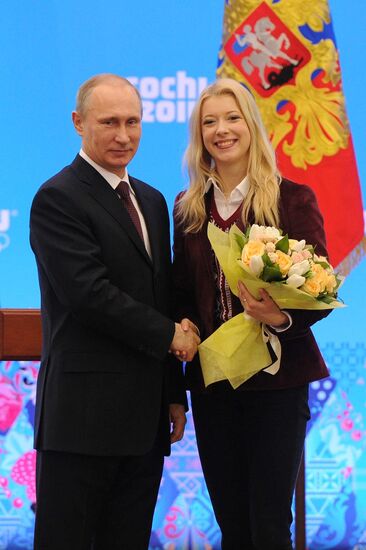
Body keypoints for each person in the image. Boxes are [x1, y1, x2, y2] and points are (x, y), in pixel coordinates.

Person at [30, 73, 200, 550]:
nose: (123, 135)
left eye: (133, 122)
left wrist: (172, 393)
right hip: (81, 423)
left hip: (143, 425)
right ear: (78, 123)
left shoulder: (151, 199)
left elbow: (160, 296)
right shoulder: (57, 197)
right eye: (109, 122)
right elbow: (90, 296)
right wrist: (172, 336)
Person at [172, 78, 331, 550]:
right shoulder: (187, 209)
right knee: (233, 525)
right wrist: (182, 324)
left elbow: (319, 289)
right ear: (199, 136)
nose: (222, 130)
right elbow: (180, 293)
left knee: (268, 526)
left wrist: (280, 317)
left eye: (232, 117)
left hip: (278, 385)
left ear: (251, 125)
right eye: (209, 122)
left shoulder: (292, 199)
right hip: (214, 385)